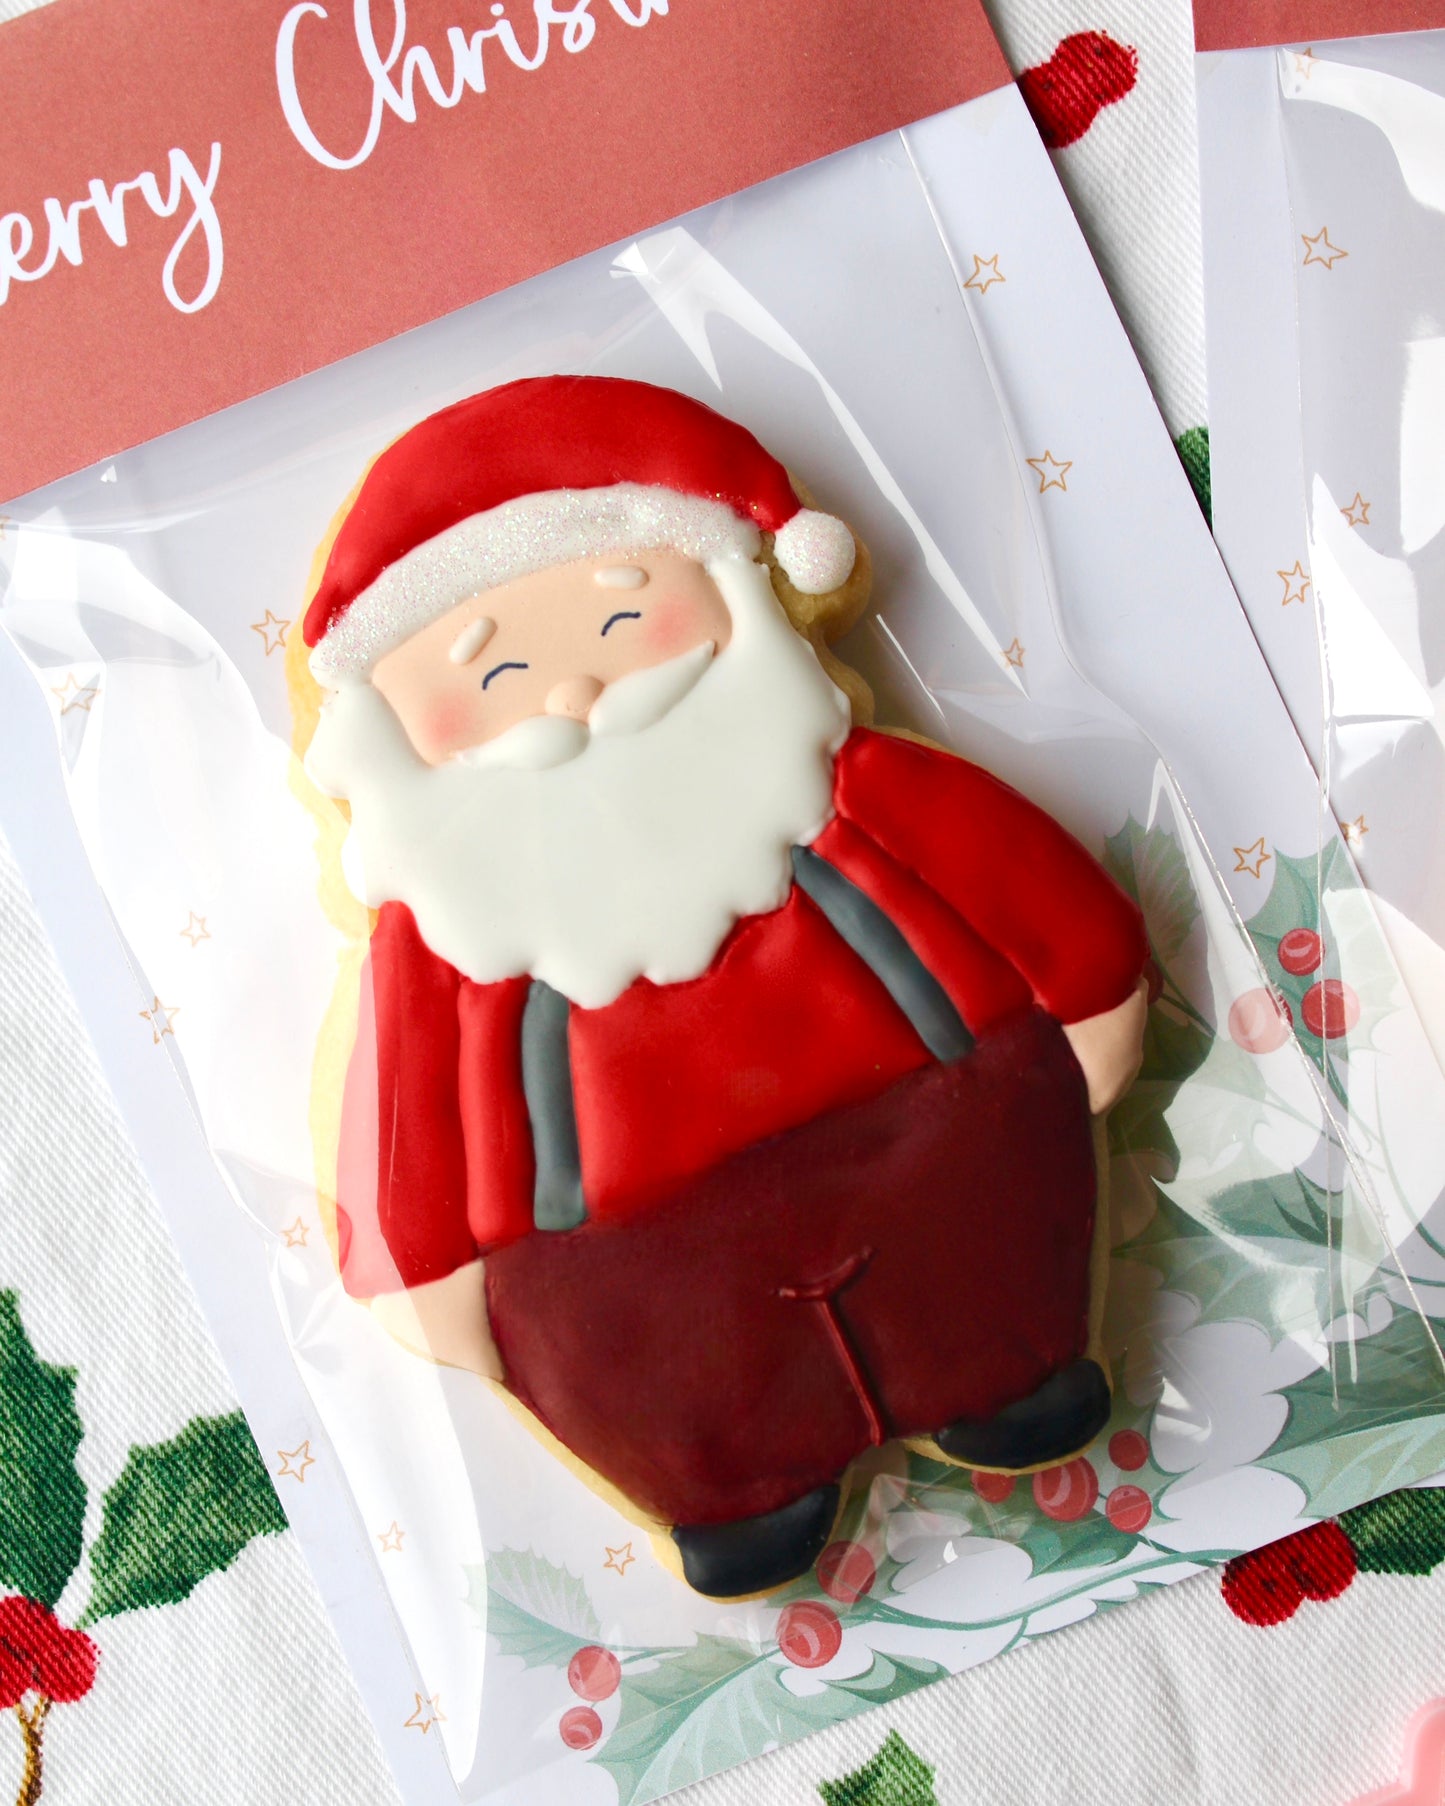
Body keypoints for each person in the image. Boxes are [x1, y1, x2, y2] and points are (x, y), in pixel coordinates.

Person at [298, 375, 1150, 1598]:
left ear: (736, 596)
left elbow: (994, 868)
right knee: (675, 1383)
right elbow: (411, 1102)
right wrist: (423, 1267)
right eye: (494, 676)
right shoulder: (446, 939)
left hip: (936, 1135)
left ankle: (1010, 1379)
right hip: (622, 1267)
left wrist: (1089, 990)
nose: (572, 699)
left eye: (620, 621)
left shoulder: (843, 783)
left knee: (981, 1276)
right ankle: (737, 1491)